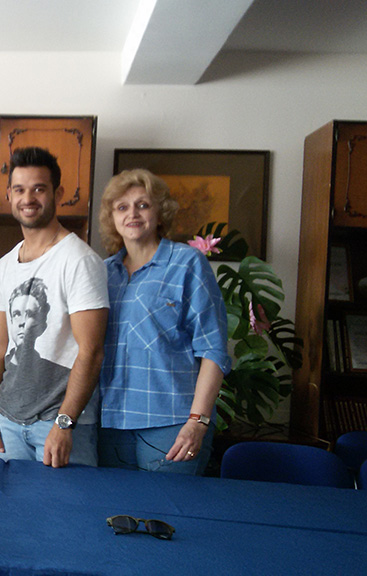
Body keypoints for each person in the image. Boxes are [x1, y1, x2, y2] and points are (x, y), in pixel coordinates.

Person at [0, 147, 108, 468]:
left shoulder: (79, 260)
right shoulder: (5, 266)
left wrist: (65, 423)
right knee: (11, 501)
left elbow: (91, 352)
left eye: (39, 189)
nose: (28, 198)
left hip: (59, 425)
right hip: (8, 422)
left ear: (58, 194)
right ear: (9, 195)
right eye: (19, 189)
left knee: (63, 503)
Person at [97, 169, 231, 474]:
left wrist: (198, 421)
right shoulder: (102, 272)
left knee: (168, 506)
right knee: (111, 505)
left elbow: (213, 350)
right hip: (110, 422)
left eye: (143, 205)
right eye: (122, 207)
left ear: (160, 214)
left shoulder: (187, 264)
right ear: (112, 218)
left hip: (173, 424)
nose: (132, 213)